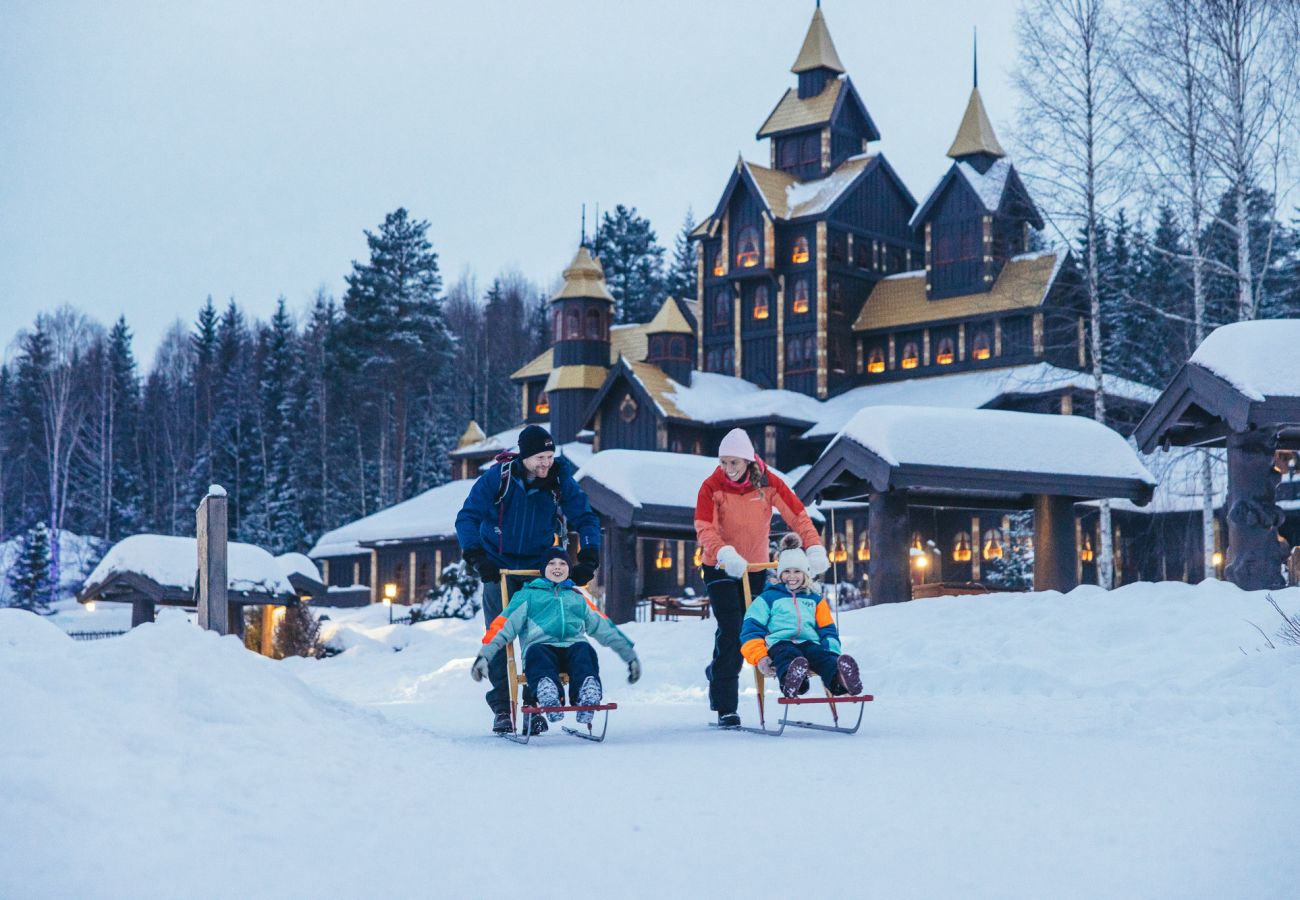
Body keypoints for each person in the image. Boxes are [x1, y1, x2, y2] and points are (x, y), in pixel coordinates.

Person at [455, 424, 602, 734]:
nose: (545, 463)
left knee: (541, 637)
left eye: (549, 455)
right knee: (500, 636)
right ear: (524, 456)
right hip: (498, 566)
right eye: (539, 457)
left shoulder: (559, 480)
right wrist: (476, 556)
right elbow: (467, 517)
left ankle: (534, 703)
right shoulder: (499, 478)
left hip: (540, 568)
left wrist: (588, 556)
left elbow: (586, 518)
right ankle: (503, 708)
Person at [693, 427, 829, 728]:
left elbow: (797, 515)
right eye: (723, 462)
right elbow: (705, 527)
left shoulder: (768, 483)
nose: (728, 469)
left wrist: (814, 545)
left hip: (754, 568)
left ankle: (769, 673)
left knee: (759, 631)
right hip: (720, 567)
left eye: (734, 463)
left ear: (748, 461)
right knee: (732, 630)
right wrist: (724, 553)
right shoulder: (711, 486)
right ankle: (726, 706)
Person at [471, 547, 641, 725]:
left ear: (569, 570)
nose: (557, 567)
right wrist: (485, 655)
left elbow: (604, 628)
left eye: (563, 563)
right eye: (551, 563)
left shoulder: (576, 598)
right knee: (537, 655)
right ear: (543, 569)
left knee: (585, 651)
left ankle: (586, 694)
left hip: (572, 649)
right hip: (541, 648)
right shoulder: (528, 596)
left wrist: (629, 655)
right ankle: (548, 694)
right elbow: (503, 626)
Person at [740, 534, 862, 698]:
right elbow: (751, 629)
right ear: (779, 574)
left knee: (822, 657)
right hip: (779, 643)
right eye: (787, 571)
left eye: (797, 571)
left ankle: (840, 680)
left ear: (806, 574)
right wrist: (760, 657)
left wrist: (832, 652)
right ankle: (794, 681)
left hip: (809, 643)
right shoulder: (768, 598)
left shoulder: (814, 600)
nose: (792, 576)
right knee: (788, 655)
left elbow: (828, 630)